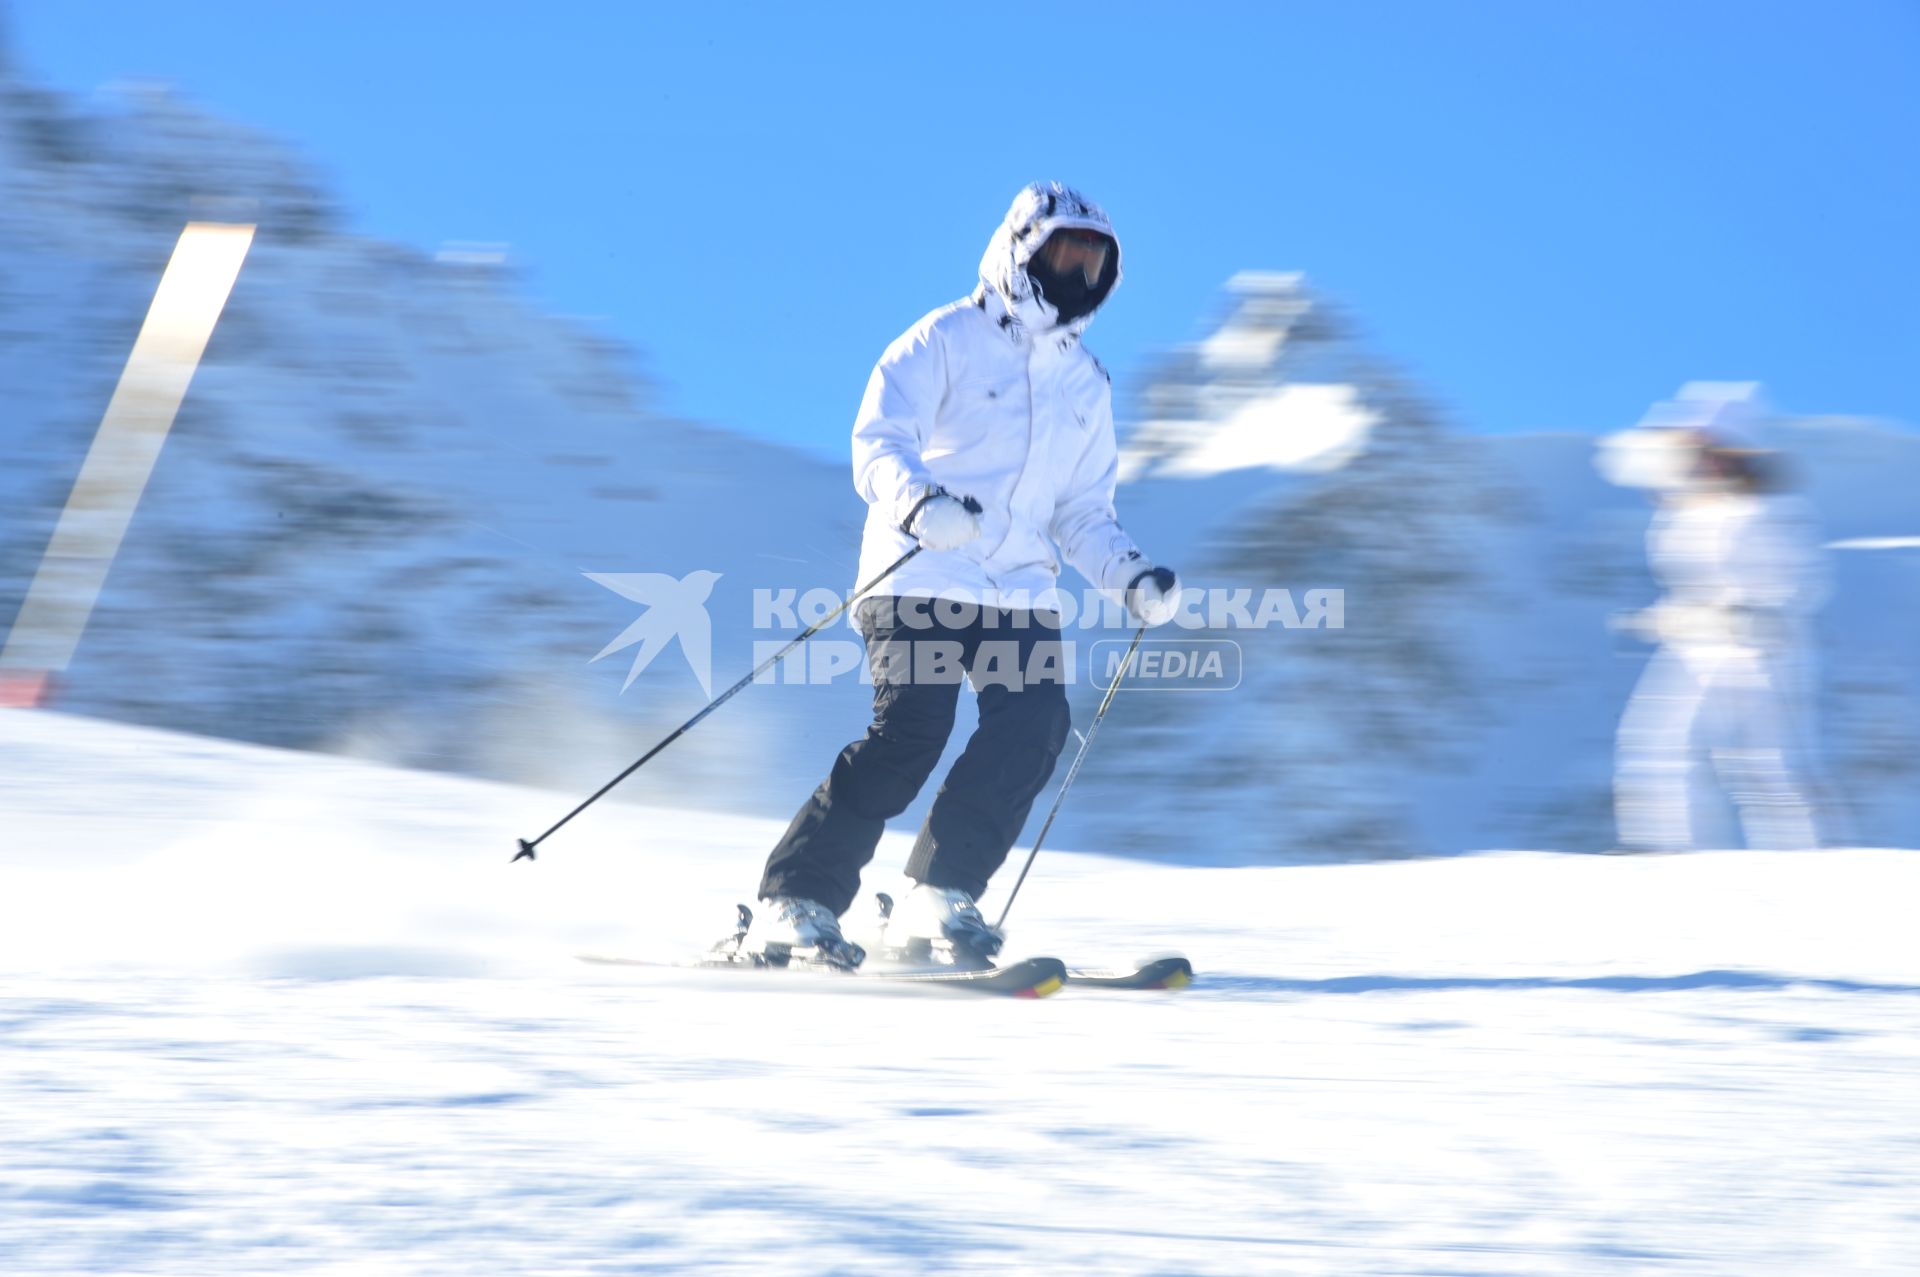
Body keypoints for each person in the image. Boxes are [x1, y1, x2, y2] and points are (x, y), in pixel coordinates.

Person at [743, 182, 1180, 967]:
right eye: (1062, 253)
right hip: (920, 575)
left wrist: (1129, 575)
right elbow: (877, 441)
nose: (1077, 272)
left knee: (1035, 726)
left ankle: (937, 897)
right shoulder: (944, 337)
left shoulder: (1088, 383)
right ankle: (794, 901)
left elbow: (1081, 510)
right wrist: (920, 506)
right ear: (1021, 250)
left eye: (1093, 260)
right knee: (912, 732)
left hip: (1019, 590)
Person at [1601, 385, 1833, 852]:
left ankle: (1806, 870)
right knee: (1657, 744)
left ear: (1736, 450)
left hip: (1763, 653)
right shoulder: (1682, 512)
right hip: (1695, 647)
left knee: (1767, 764)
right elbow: (1688, 587)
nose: (1702, 457)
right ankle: (1668, 859)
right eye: (1694, 446)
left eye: (1711, 447)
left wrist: (1760, 613)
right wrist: (1658, 619)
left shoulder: (1771, 509)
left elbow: (1806, 581)